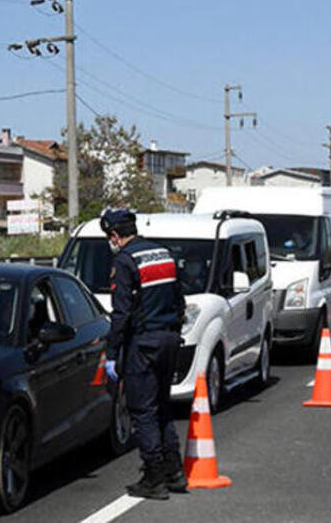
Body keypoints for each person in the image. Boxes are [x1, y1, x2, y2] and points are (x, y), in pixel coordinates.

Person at [101, 209, 187, 500]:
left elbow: (122, 313)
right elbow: (179, 299)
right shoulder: (163, 253)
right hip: (170, 338)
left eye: (110, 237)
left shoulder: (125, 261)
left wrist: (112, 352)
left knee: (142, 411)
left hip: (144, 343)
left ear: (115, 235)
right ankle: (174, 472)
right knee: (162, 406)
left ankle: (154, 478)